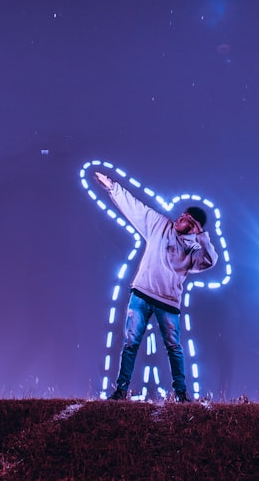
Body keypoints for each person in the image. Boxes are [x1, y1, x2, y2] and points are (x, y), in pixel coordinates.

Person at [93, 170, 219, 402]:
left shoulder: (193, 249)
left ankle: (181, 393)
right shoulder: (160, 225)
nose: (182, 219)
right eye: (182, 215)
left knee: (174, 348)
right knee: (130, 343)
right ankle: (121, 390)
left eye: (189, 220)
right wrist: (112, 187)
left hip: (168, 302)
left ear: (195, 227)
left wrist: (201, 236)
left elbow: (209, 261)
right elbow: (136, 208)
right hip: (141, 294)